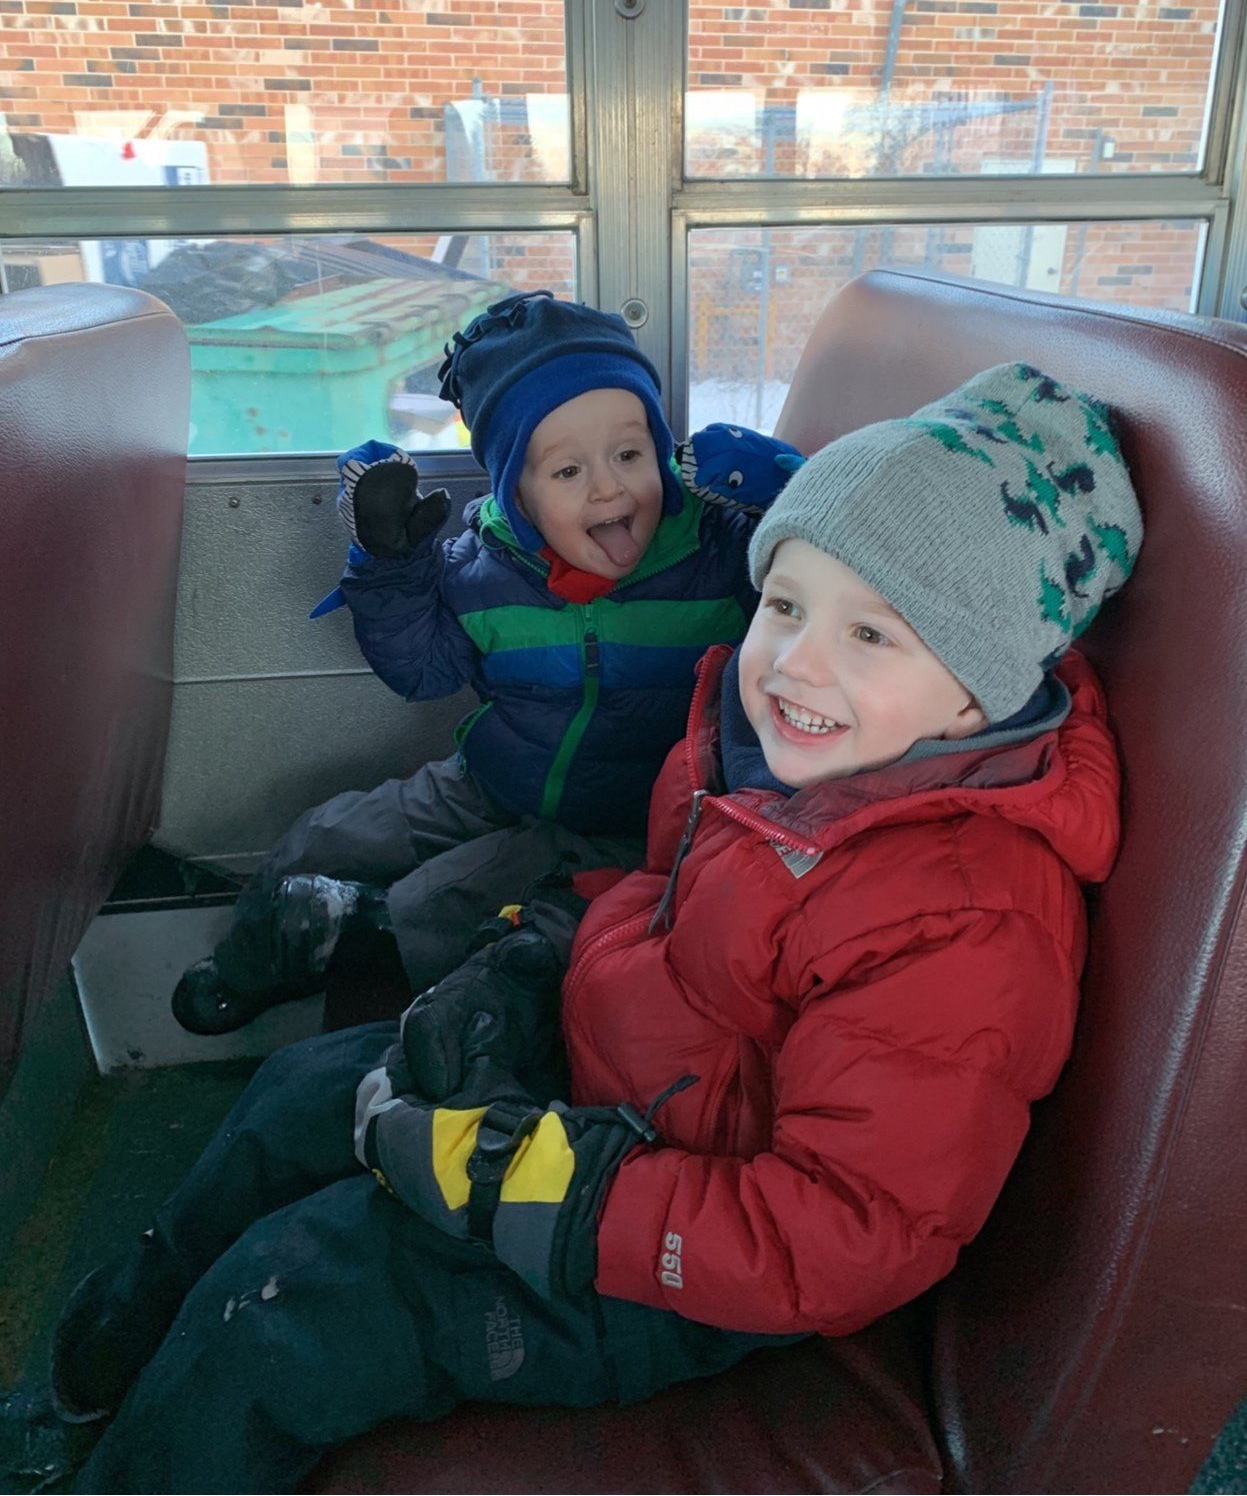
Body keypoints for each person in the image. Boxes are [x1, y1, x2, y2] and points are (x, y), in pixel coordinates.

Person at [8, 360, 1142, 1495]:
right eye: (785, 607)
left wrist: (535, 1187)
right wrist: (531, 963)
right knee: (295, 1099)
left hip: (688, 1253)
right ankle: (94, 1377)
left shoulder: (961, 922)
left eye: (871, 636)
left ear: (976, 692)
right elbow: (656, 901)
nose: (793, 661)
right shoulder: (781, 756)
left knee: (294, 1299)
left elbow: (842, 1234)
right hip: (621, 1091)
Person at [171, 290, 803, 1036]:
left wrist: (793, 492)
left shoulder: (719, 552)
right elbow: (424, 674)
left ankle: (357, 945)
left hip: (638, 821)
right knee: (321, 837)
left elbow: (822, 588)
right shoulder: (484, 567)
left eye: (631, 454)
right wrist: (392, 563)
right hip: (493, 782)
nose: (608, 486)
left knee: (440, 900)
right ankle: (252, 966)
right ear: (516, 491)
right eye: (567, 473)